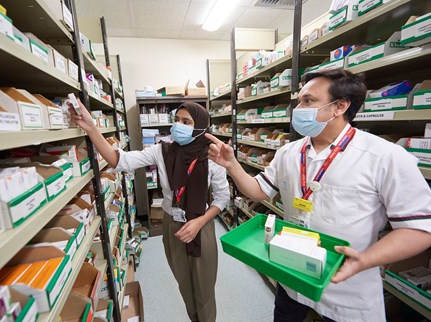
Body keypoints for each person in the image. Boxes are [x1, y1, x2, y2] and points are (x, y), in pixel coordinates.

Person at [205, 69, 431, 322]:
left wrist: (365, 259)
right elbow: (258, 192)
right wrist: (233, 165)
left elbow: (420, 229)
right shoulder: (289, 152)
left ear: (340, 106)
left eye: (308, 101)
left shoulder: (384, 156)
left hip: (347, 286)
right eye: (299, 101)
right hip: (292, 274)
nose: (298, 109)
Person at [70, 100, 229, 322]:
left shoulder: (213, 158)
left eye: (186, 122)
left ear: (200, 127)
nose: (178, 126)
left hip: (201, 227)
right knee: (184, 285)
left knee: (204, 290)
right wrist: (91, 128)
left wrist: (199, 222)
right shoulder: (161, 151)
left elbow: (222, 198)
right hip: (172, 226)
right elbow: (119, 159)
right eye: (176, 120)